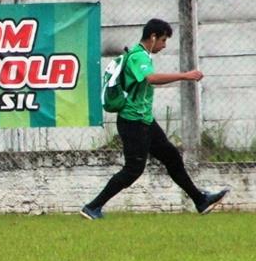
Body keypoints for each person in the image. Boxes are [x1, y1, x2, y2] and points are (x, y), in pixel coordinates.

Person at [81, 18, 228, 219]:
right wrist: (184, 76)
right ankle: (92, 207)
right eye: (163, 40)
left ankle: (200, 201)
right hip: (133, 122)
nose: (164, 45)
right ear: (152, 37)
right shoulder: (138, 57)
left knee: (172, 157)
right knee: (133, 169)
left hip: (145, 121)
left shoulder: (141, 55)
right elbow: (150, 78)